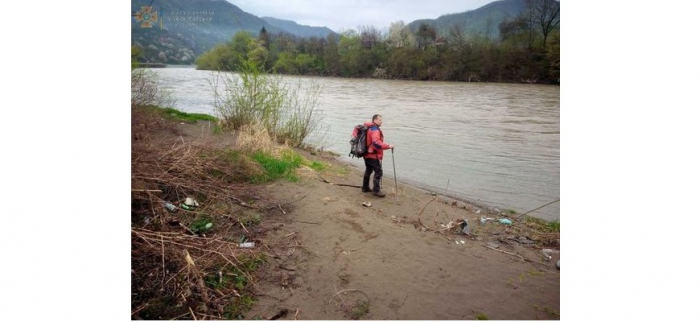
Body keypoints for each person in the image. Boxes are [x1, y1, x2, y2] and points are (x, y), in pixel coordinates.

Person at [361, 114, 394, 197]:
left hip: (366, 153)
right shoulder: (375, 130)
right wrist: (388, 146)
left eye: (381, 120)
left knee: (368, 169)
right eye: (380, 120)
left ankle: (365, 187)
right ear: (375, 120)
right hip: (373, 155)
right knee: (378, 171)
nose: (381, 121)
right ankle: (376, 190)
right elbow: (376, 143)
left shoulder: (368, 128)